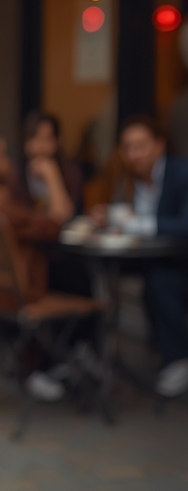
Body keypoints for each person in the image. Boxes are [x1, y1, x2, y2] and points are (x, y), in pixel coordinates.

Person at [0, 131, 71, 402]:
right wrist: (53, 174)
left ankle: (51, 366)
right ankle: (61, 366)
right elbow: (59, 219)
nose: (9, 163)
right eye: (3, 157)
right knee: (78, 281)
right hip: (18, 295)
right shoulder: (1, 204)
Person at [89, 116, 188, 397]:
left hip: (180, 261)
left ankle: (179, 359)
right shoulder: (130, 179)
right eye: (127, 147)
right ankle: (95, 352)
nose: (134, 154)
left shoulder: (182, 173)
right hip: (148, 257)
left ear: (159, 145)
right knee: (86, 271)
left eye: (141, 146)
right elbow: (128, 215)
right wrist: (109, 216)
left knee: (161, 281)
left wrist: (136, 224)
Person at [12, 112, 84, 225]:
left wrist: (52, 174)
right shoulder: (15, 174)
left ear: (57, 142)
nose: (39, 146)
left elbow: (62, 217)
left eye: (47, 139)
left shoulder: (71, 173)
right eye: (34, 138)